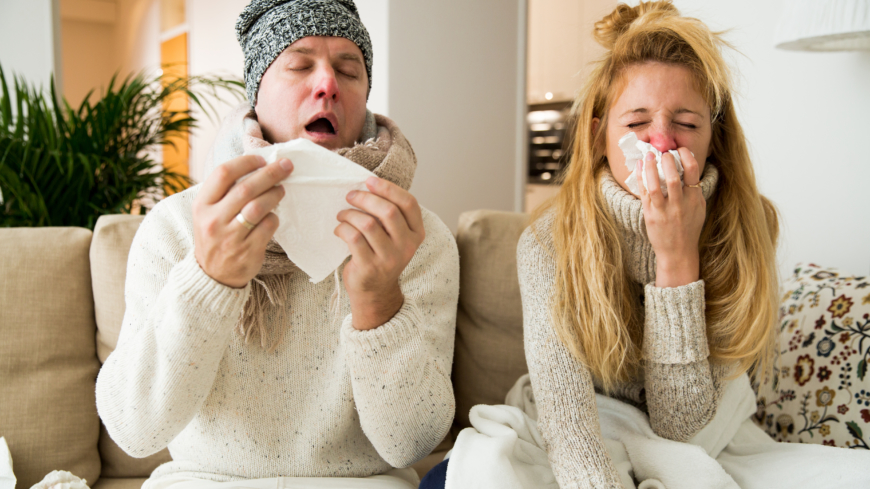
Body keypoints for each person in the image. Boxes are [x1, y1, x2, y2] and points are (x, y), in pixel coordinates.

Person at [422, 2, 869, 488]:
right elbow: (571, 433)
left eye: (686, 124)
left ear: (712, 141)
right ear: (599, 138)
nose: (660, 141)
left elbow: (682, 427)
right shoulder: (548, 243)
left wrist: (677, 258)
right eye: (636, 123)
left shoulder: (747, 226)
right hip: (578, 428)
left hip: (705, 431)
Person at [96, 1, 458, 488]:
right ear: (256, 94)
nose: (327, 83)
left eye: (349, 70)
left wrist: (379, 302)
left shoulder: (413, 236)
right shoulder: (178, 226)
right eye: (299, 65)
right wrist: (208, 279)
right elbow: (134, 430)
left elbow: (410, 445)